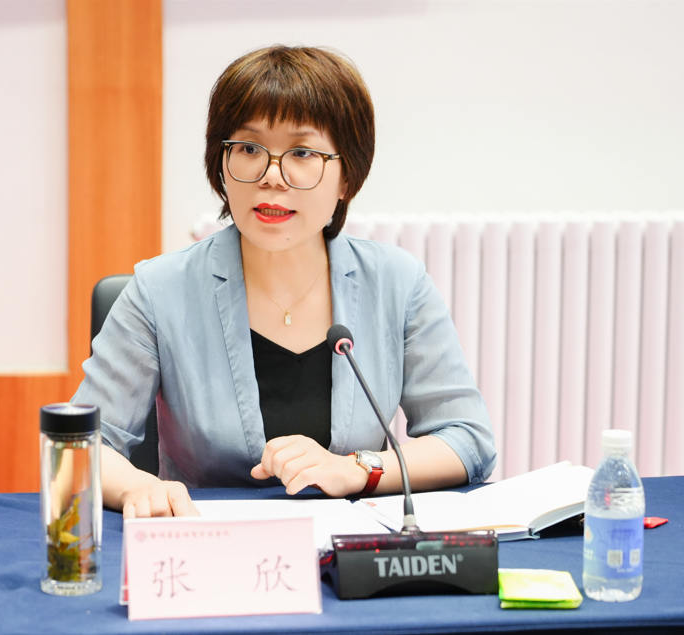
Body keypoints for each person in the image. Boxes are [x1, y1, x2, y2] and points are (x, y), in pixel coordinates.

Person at [72, 45, 495, 519]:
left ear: (346, 177)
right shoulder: (160, 290)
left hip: (349, 547)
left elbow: (467, 439)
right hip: (210, 545)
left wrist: (358, 468)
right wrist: (137, 487)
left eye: (302, 152)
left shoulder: (397, 283)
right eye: (250, 149)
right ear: (221, 166)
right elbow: (80, 447)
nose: (272, 176)